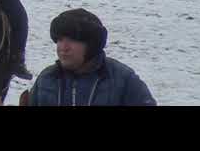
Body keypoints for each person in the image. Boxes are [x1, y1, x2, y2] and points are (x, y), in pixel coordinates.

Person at [28, 8, 156, 106]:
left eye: (72, 40)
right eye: (60, 39)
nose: (63, 47)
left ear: (91, 45)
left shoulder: (121, 79)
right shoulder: (47, 79)